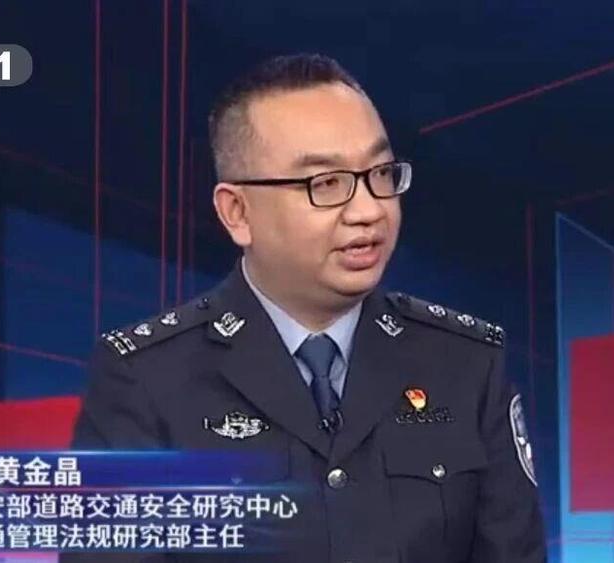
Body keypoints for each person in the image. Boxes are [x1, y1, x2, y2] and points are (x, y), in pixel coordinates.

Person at [70, 53, 545, 563]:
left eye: (380, 173)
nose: (368, 211)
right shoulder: (145, 379)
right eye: (326, 183)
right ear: (237, 212)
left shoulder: (466, 364)